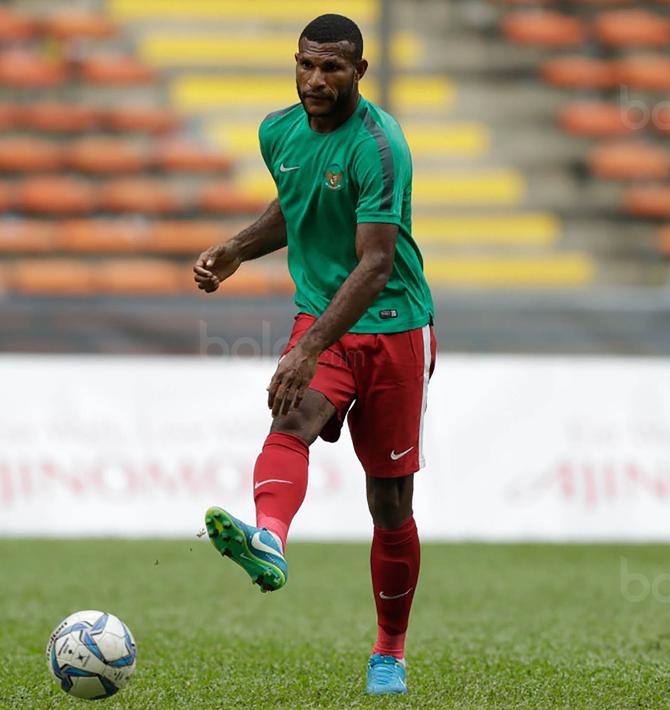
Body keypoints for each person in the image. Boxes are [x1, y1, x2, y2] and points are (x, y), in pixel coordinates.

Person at [192, 13, 435, 696]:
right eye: (305, 64)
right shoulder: (278, 131)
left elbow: (377, 263)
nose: (315, 79)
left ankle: (389, 649)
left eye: (331, 67)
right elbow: (295, 202)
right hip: (323, 317)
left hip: (392, 327)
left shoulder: (380, 146)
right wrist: (239, 247)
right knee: (289, 419)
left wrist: (309, 348)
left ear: (358, 72)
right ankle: (269, 540)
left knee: (388, 503)